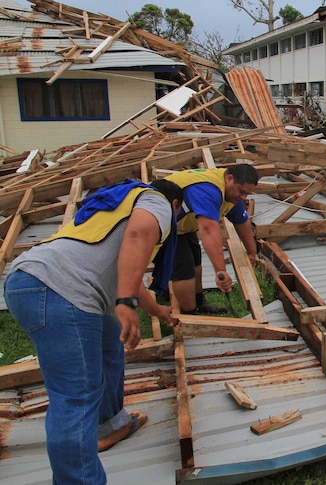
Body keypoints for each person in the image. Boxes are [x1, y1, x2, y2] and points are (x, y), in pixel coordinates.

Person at [4, 178, 183, 484]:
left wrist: (155, 310)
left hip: (32, 279)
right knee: (75, 397)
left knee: (109, 346)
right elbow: (139, 235)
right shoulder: (157, 202)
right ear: (176, 205)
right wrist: (124, 303)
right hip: (62, 291)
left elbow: (131, 270)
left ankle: (109, 426)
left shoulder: (117, 207)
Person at [165, 165, 259, 313]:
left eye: (246, 194)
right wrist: (220, 271)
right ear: (229, 179)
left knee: (196, 261)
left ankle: (199, 301)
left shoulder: (230, 193)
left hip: (182, 226)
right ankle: (190, 313)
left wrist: (252, 252)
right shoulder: (208, 190)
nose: (243, 197)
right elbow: (209, 229)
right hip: (163, 226)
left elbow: (242, 222)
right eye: (241, 192)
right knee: (183, 269)